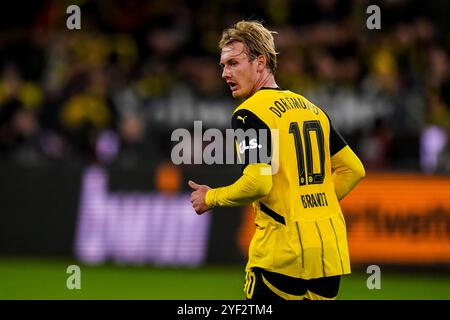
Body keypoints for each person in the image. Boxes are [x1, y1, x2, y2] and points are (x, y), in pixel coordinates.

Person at [188, 20, 365, 300]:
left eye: (233, 63)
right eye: (223, 65)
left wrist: (211, 197)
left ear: (260, 62)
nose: (224, 73)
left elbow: (258, 183)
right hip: (329, 255)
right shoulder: (312, 110)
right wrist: (310, 208)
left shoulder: (249, 114)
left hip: (282, 253)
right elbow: (353, 170)